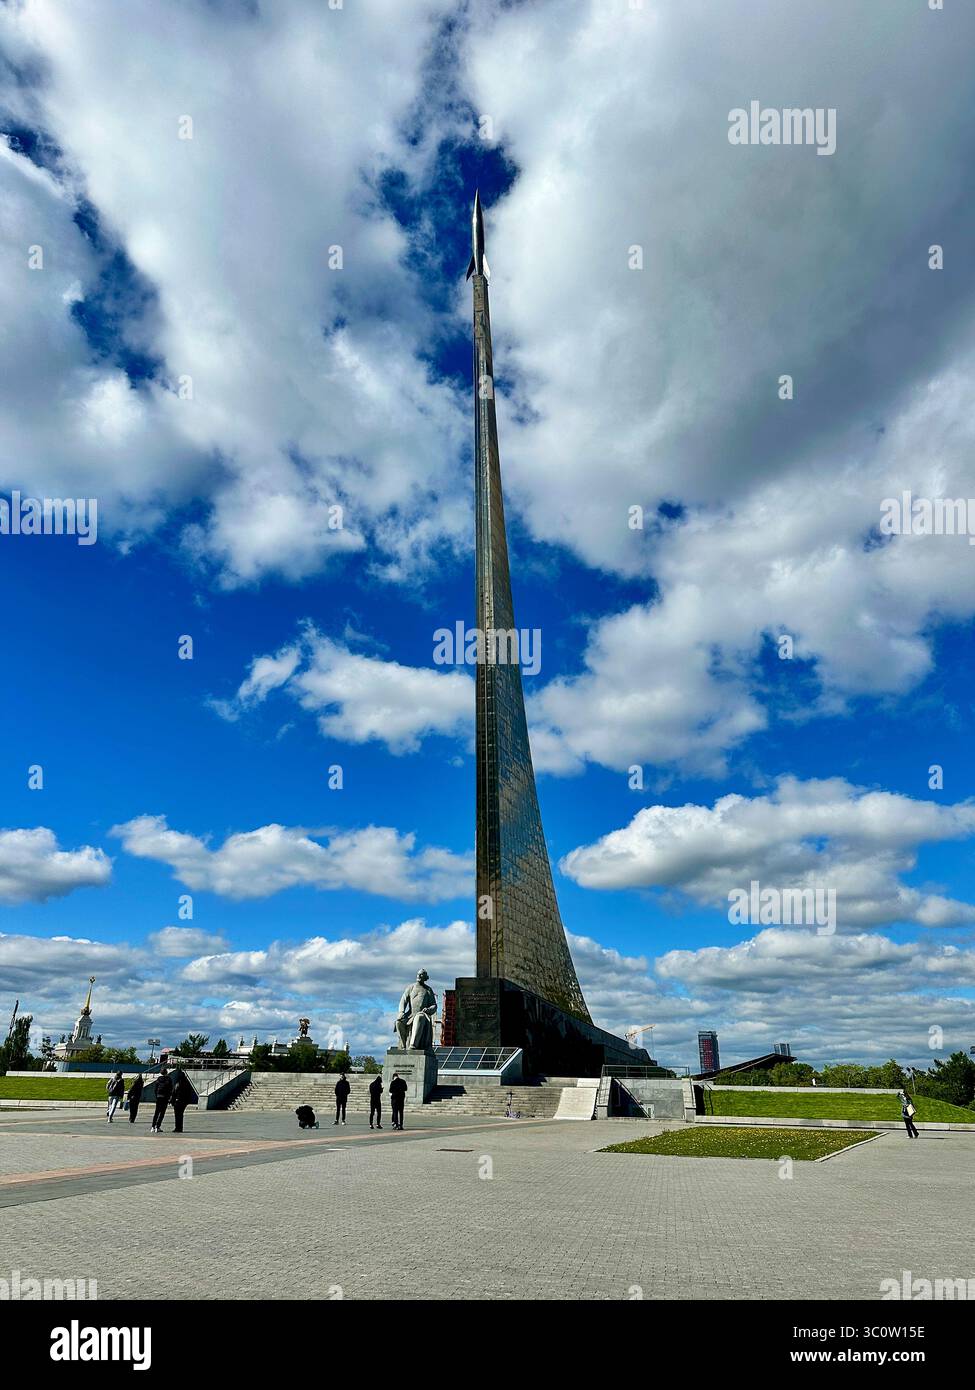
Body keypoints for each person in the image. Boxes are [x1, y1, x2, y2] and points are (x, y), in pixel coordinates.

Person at [150, 1066, 173, 1133]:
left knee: (156, 1112)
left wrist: (156, 1096)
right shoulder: (169, 1079)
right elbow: (170, 1089)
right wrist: (169, 1097)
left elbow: (155, 1088)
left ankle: (152, 1127)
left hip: (158, 1097)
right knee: (162, 1113)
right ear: (166, 1072)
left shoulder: (159, 1079)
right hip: (165, 1097)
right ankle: (158, 1126)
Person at [171, 1069, 193, 1134]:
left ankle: (177, 1127)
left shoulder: (178, 1083)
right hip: (184, 1101)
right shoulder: (187, 1083)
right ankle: (180, 1127)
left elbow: (174, 1093)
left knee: (177, 1115)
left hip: (178, 1101)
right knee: (181, 1114)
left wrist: (172, 1101)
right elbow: (189, 1093)